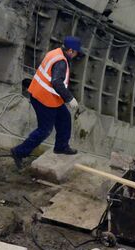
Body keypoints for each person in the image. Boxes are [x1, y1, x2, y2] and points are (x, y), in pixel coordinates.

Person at [12, 35, 84, 170]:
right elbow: (56, 82)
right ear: (70, 51)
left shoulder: (55, 52)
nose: (76, 55)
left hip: (47, 95)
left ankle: (61, 147)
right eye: (75, 52)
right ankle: (19, 152)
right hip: (43, 98)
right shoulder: (61, 62)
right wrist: (69, 98)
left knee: (65, 118)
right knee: (45, 130)